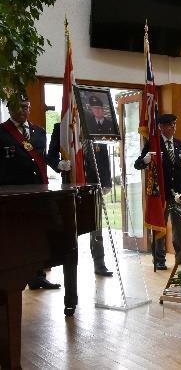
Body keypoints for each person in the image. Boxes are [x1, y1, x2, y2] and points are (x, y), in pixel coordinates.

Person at [0, 96, 60, 289]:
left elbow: (41, 159)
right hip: (14, 193)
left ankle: (38, 276)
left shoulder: (39, 132)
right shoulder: (2, 132)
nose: (24, 110)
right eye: (19, 106)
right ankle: (15, 277)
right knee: (17, 237)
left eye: (27, 106)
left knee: (38, 235)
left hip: (38, 191)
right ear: (9, 109)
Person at [47, 122, 113, 276]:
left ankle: (100, 263)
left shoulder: (94, 126)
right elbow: (50, 156)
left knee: (96, 227)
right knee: (71, 228)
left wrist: (107, 181)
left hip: (93, 184)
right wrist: (59, 164)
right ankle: (70, 266)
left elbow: (103, 157)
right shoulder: (61, 127)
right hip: (71, 184)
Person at [134, 114, 181, 271]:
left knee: (180, 228)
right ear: (160, 127)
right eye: (169, 125)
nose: (173, 127)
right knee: (160, 227)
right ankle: (159, 259)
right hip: (160, 194)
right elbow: (137, 164)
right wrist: (146, 159)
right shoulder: (153, 145)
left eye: (174, 124)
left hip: (178, 194)